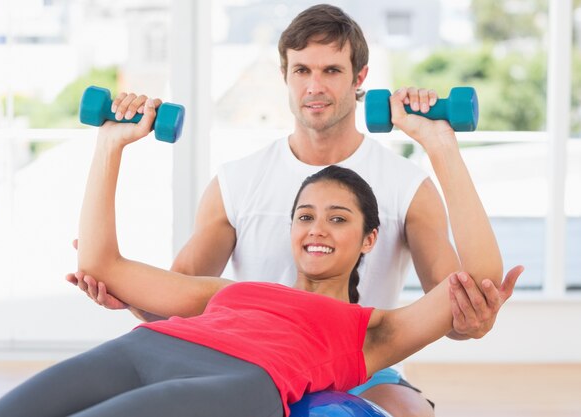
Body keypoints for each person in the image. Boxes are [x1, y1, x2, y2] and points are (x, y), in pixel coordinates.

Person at [67, 4, 518, 416]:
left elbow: (457, 306)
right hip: (250, 355)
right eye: (301, 69)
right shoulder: (237, 181)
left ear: (360, 78)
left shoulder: (407, 185)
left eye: (331, 71)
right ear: (284, 74)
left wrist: (473, 317)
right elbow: (176, 305)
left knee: (410, 411)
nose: (314, 86)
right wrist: (126, 291)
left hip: (363, 362)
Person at [0, 94, 521, 417]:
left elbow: (477, 277)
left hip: (244, 381)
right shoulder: (230, 293)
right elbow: (101, 264)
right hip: (146, 348)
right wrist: (111, 144)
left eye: (339, 219)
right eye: (305, 216)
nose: (317, 229)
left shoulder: (375, 329)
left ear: (369, 239)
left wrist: (439, 143)